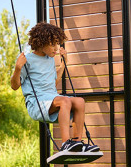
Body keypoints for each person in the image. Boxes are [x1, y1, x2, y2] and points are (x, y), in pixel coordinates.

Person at [10, 22, 99, 153]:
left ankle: (77, 142)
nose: (57, 48)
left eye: (58, 43)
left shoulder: (50, 59)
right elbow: (14, 86)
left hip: (51, 98)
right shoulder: (27, 60)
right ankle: (65, 144)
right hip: (37, 103)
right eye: (53, 44)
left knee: (80, 101)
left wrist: (63, 65)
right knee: (65, 100)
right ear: (41, 43)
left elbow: (53, 83)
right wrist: (18, 68)